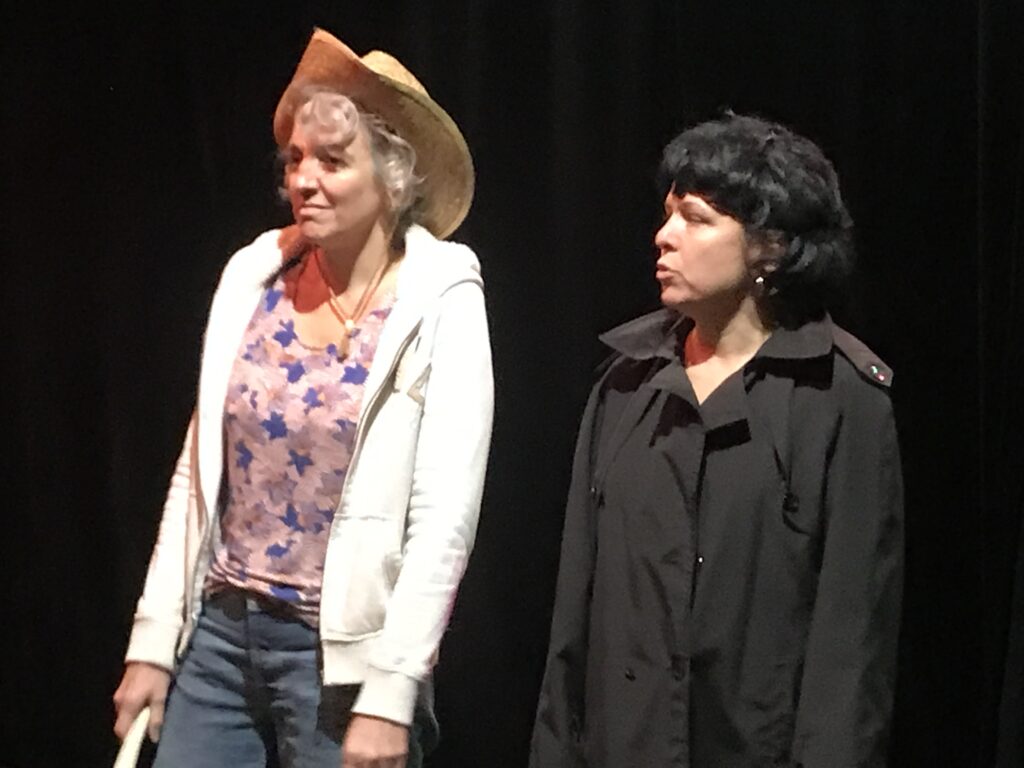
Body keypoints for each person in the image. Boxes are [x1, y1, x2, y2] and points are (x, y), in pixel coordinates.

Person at [112, 28, 493, 768]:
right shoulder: (254, 274)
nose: (304, 180)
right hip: (219, 636)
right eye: (294, 159)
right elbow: (198, 473)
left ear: (393, 176)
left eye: (333, 160)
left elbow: (444, 516)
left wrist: (392, 691)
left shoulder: (440, 296)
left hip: (341, 663)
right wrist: (153, 640)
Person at [531, 113, 903, 767]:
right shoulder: (626, 385)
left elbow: (851, 644)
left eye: (696, 218)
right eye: (668, 214)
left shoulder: (839, 398)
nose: (664, 236)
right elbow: (574, 619)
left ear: (770, 246)